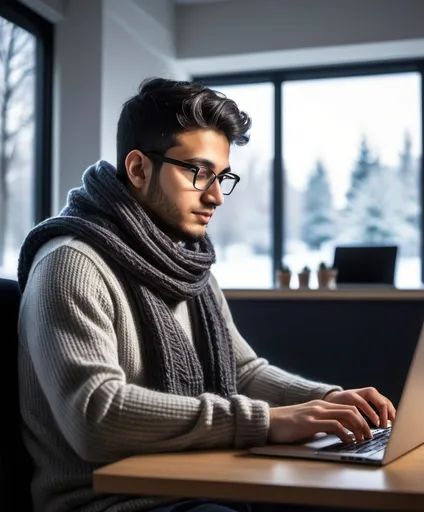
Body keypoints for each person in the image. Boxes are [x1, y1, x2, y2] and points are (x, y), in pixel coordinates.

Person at [17, 77, 396, 512]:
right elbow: (94, 416)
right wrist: (266, 421)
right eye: (198, 172)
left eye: (221, 176)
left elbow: (244, 372)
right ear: (139, 168)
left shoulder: (189, 263)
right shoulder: (71, 263)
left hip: (203, 482)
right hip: (114, 503)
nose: (216, 196)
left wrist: (325, 399)